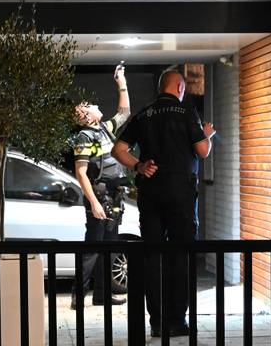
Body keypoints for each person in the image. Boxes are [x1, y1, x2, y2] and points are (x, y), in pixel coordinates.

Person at [111, 70, 215, 337]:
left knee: (152, 254)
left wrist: (139, 165)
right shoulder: (185, 112)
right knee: (181, 254)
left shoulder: (144, 114)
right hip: (180, 193)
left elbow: (118, 150)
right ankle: (177, 320)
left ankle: (156, 321)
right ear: (179, 86)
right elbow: (202, 151)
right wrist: (206, 135)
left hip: (151, 192)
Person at [70, 64, 130, 309]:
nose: (96, 106)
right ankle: (78, 296)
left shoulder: (104, 128)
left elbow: (124, 113)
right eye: (91, 106)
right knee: (93, 250)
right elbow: (81, 172)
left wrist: (121, 83)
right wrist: (94, 202)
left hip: (113, 197)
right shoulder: (84, 137)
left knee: (110, 248)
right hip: (100, 197)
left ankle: (102, 296)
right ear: (87, 116)